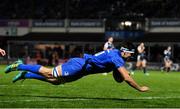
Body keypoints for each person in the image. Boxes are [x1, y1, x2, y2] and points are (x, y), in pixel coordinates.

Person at [5, 42, 149, 92]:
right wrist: (140, 88)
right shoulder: (116, 57)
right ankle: (20, 65)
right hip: (79, 66)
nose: (131, 57)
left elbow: (119, 77)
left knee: (56, 81)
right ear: (124, 51)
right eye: (130, 54)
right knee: (50, 73)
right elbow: (125, 78)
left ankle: (26, 75)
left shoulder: (116, 55)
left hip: (82, 70)